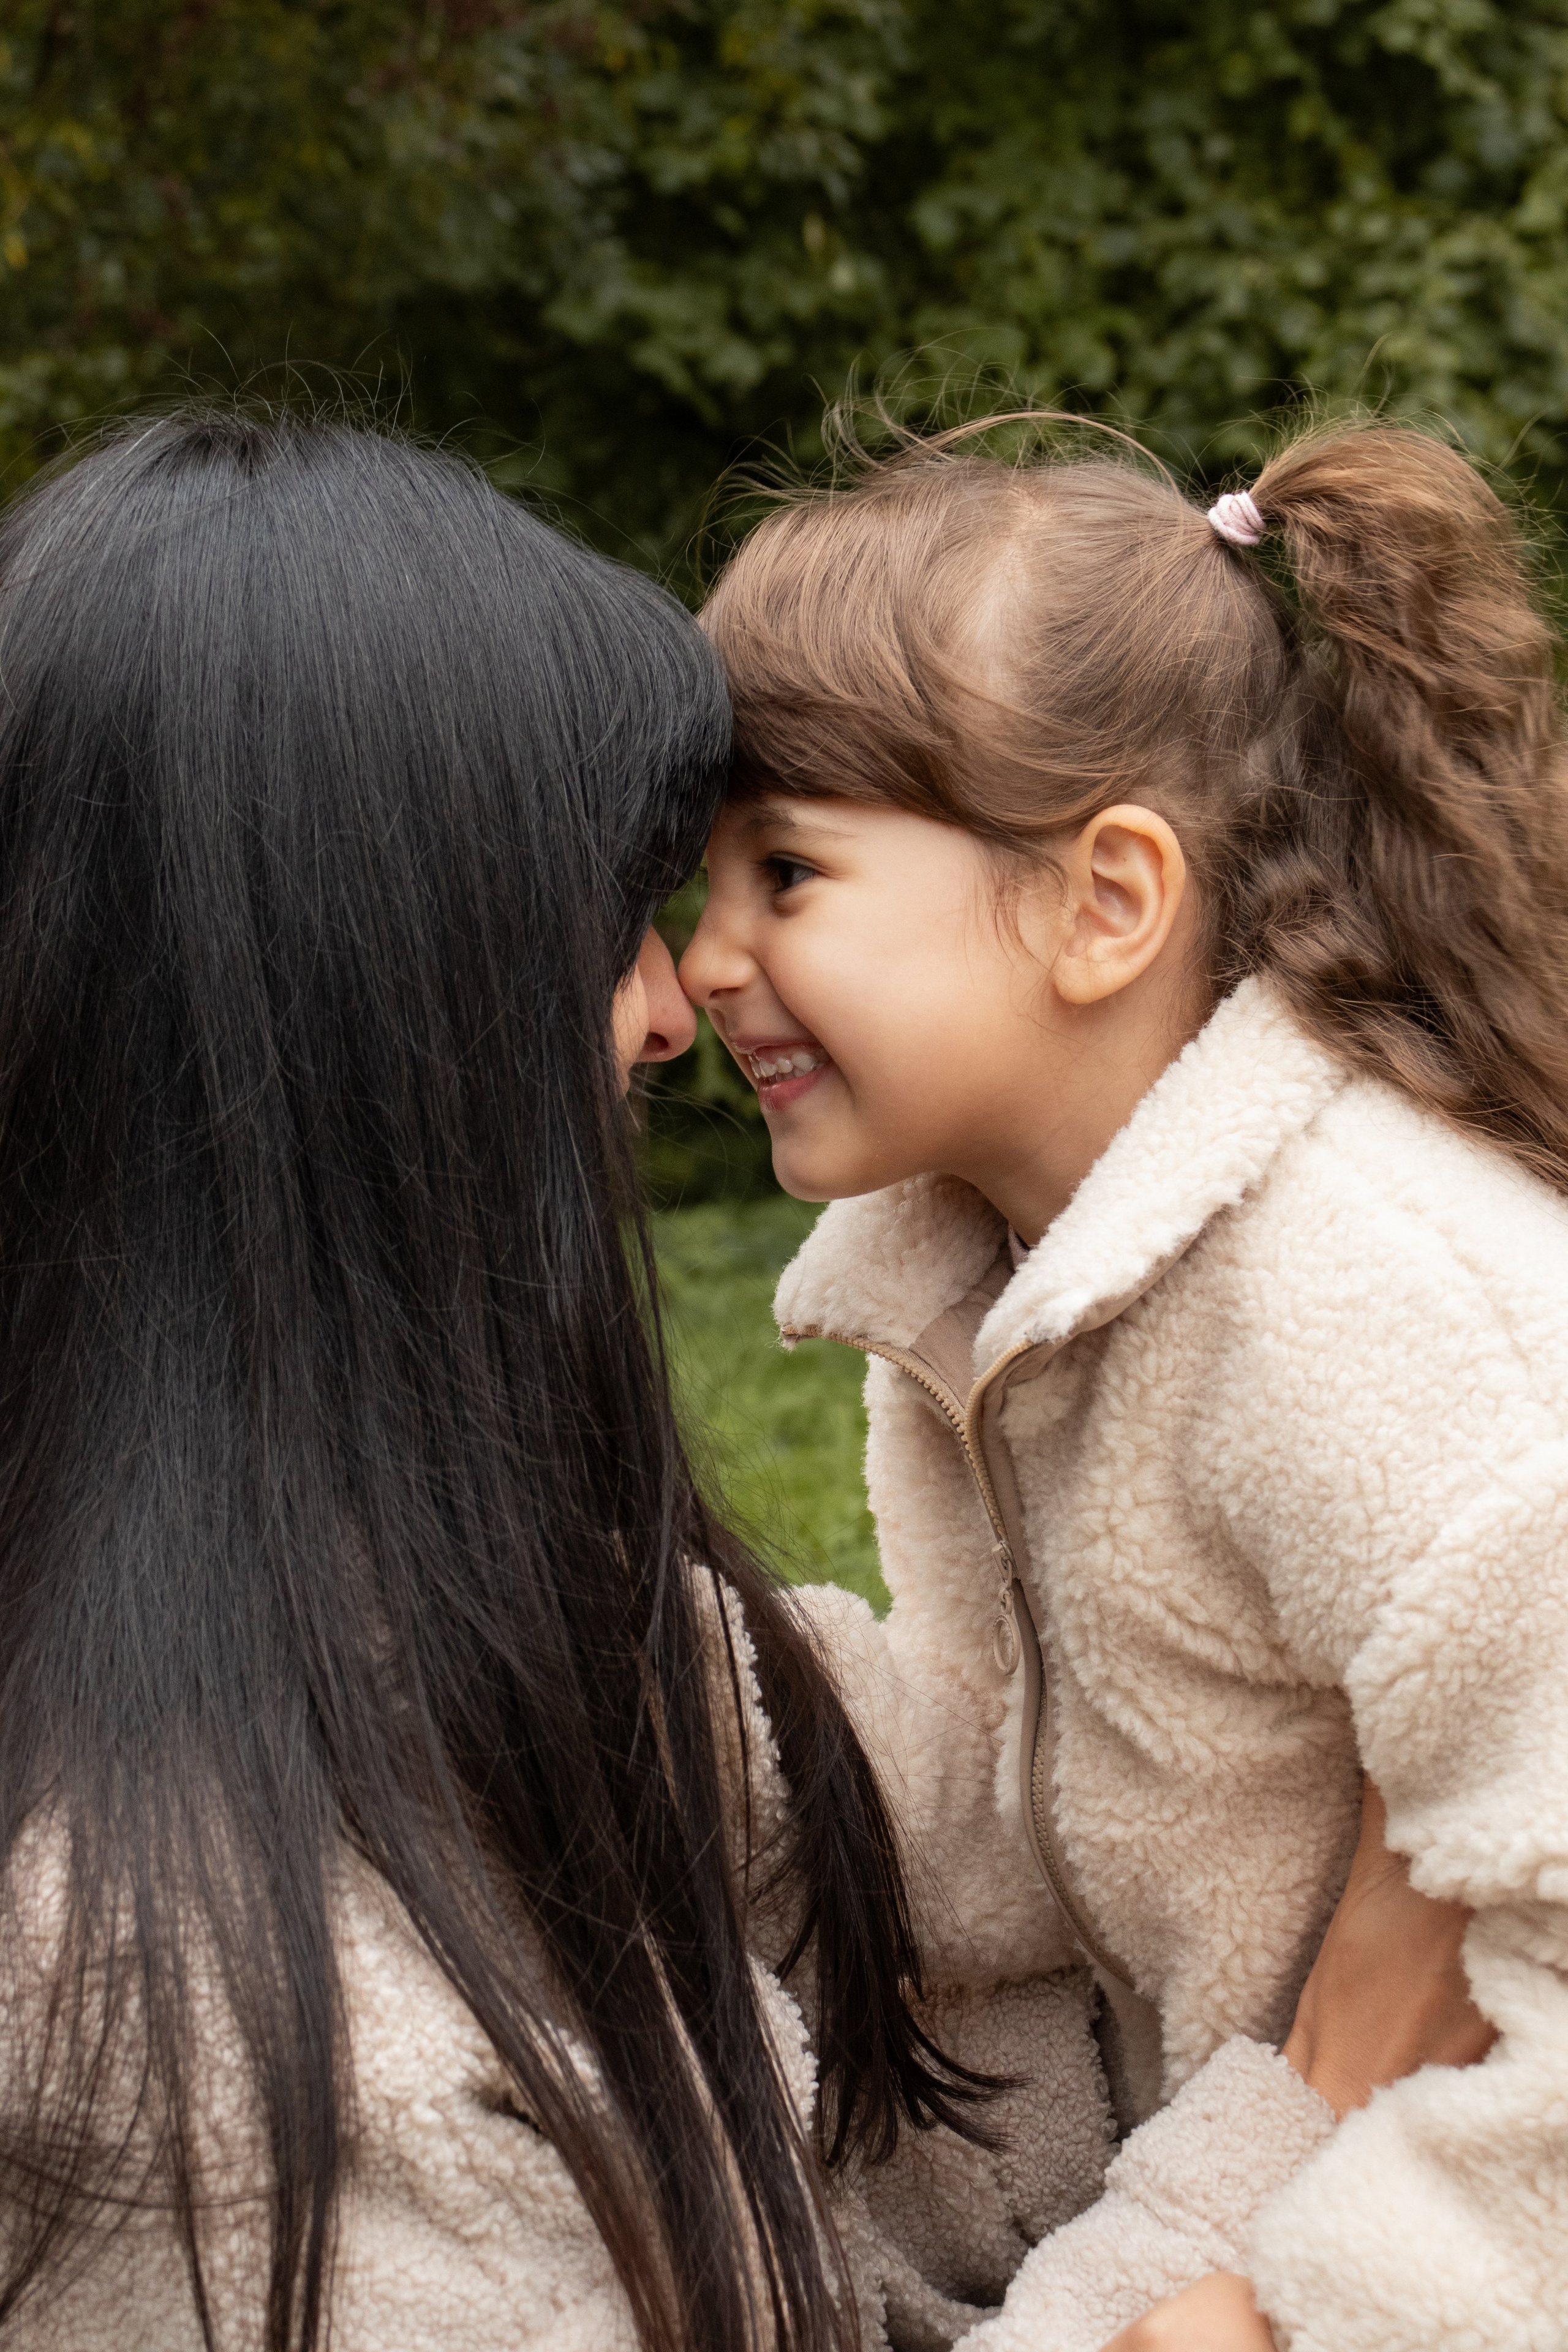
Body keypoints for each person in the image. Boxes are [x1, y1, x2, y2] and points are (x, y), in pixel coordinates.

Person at [681, 414, 1568, 2348]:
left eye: (786, 868)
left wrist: (1318, 2309)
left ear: (1104, 900)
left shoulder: (1368, 1301)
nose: (707, 957)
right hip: (1211, 2129)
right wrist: (650, 1711)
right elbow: (1014, 1798)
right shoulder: (983, 1276)